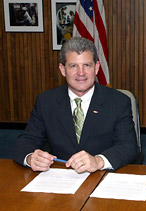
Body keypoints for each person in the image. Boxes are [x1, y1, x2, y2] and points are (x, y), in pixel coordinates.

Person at [13, 37, 139, 173]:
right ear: (62, 69)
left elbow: (128, 146)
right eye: (73, 66)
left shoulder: (118, 101)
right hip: (60, 178)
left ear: (96, 68)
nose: (81, 73)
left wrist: (98, 161)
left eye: (87, 65)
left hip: (102, 176)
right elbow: (25, 141)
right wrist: (31, 158)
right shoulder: (46, 101)